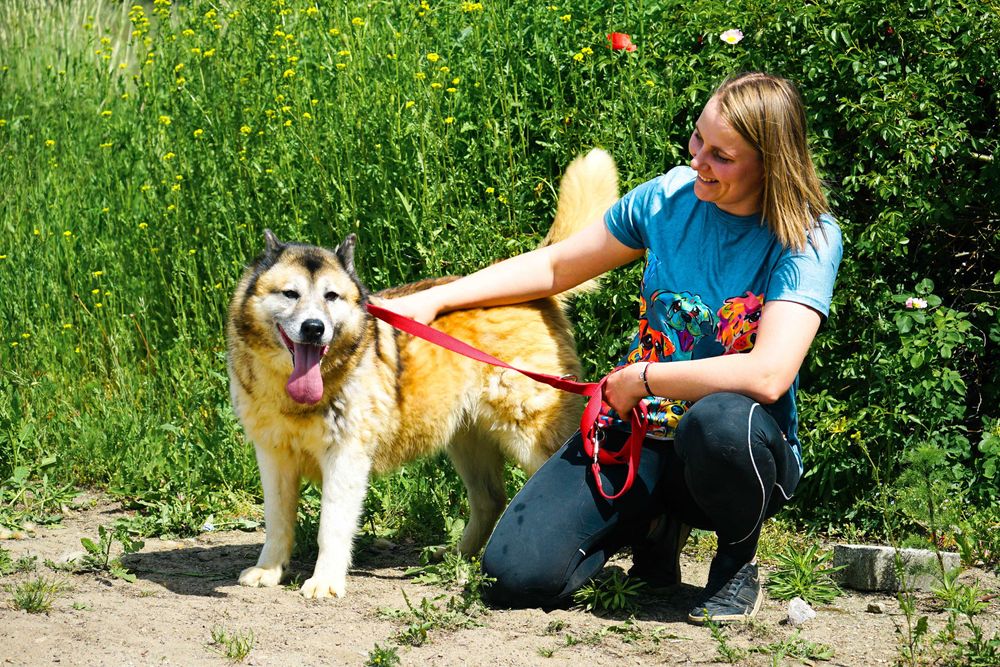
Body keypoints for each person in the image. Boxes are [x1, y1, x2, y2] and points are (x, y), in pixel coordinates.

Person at [384, 71, 842, 624]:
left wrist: (639, 379)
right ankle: (649, 525)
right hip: (637, 432)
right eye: (698, 139)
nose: (698, 160)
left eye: (722, 156)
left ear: (769, 165)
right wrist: (439, 299)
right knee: (514, 573)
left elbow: (768, 373)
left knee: (719, 422)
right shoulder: (669, 198)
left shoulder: (807, 237)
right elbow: (555, 266)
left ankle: (735, 563)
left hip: (731, 449)